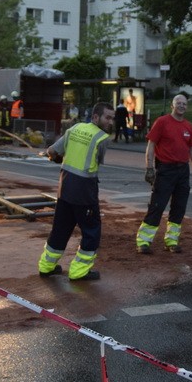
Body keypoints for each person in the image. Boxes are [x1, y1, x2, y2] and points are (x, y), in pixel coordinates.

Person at [37, 101, 116, 281]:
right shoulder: (102, 139)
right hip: (84, 192)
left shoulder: (74, 128)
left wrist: (54, 157)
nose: (110, 122)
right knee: (91, 230)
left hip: (64, 189)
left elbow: (52, 151)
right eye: (107, 117)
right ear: (95, 117)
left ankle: (46, 266)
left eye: (112, 118)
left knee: (60, 229)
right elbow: (94, 162)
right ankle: (79, 272)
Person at [135, 94, 192, 254]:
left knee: (179, 207)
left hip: (183, 171)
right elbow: (151, 145)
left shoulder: (188, 126)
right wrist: (149, 167)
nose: (182, 106)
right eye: (178, 103)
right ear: (172, 106)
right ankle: (143, 241)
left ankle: (171, 241)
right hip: (165, 170)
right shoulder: (162, 122)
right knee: (157, 205)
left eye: (184, 104)